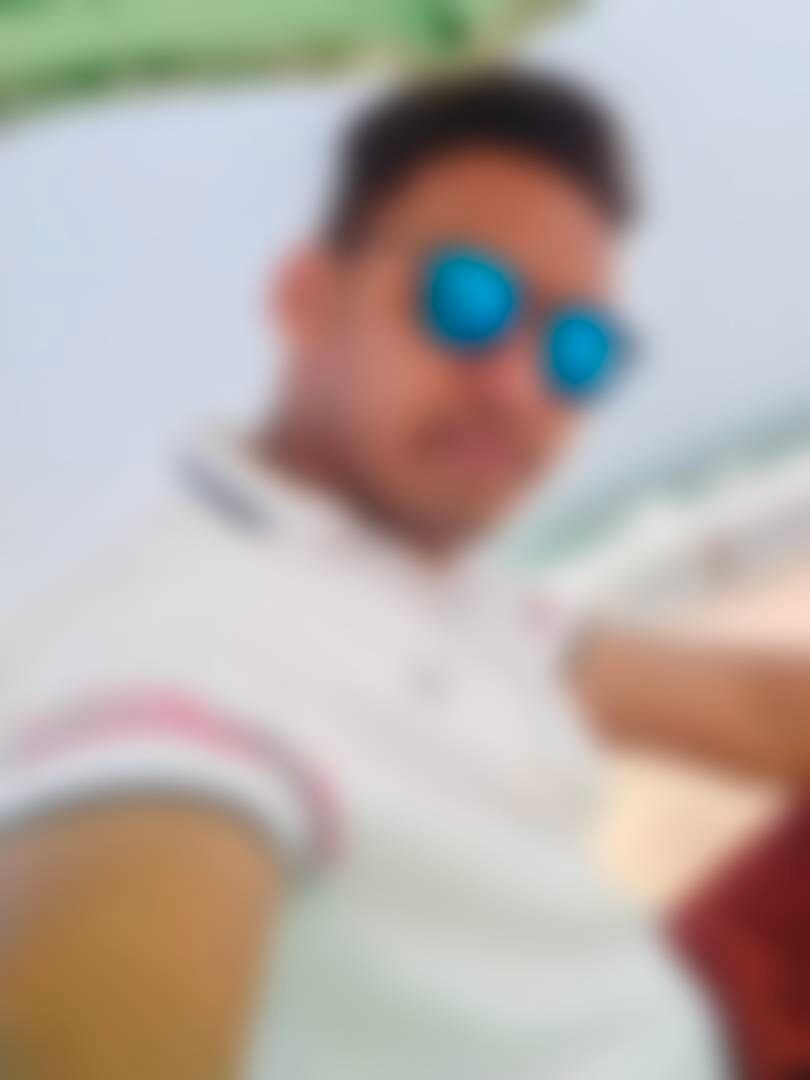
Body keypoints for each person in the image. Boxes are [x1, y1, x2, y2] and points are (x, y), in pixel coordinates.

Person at [1, 70, 809, 1080]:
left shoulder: (434, 580)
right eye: (467, 300)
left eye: (578, 347)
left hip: (698, 1007)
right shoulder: (161, 643)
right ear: (307, 296)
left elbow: (752, 706)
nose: (519, 385)